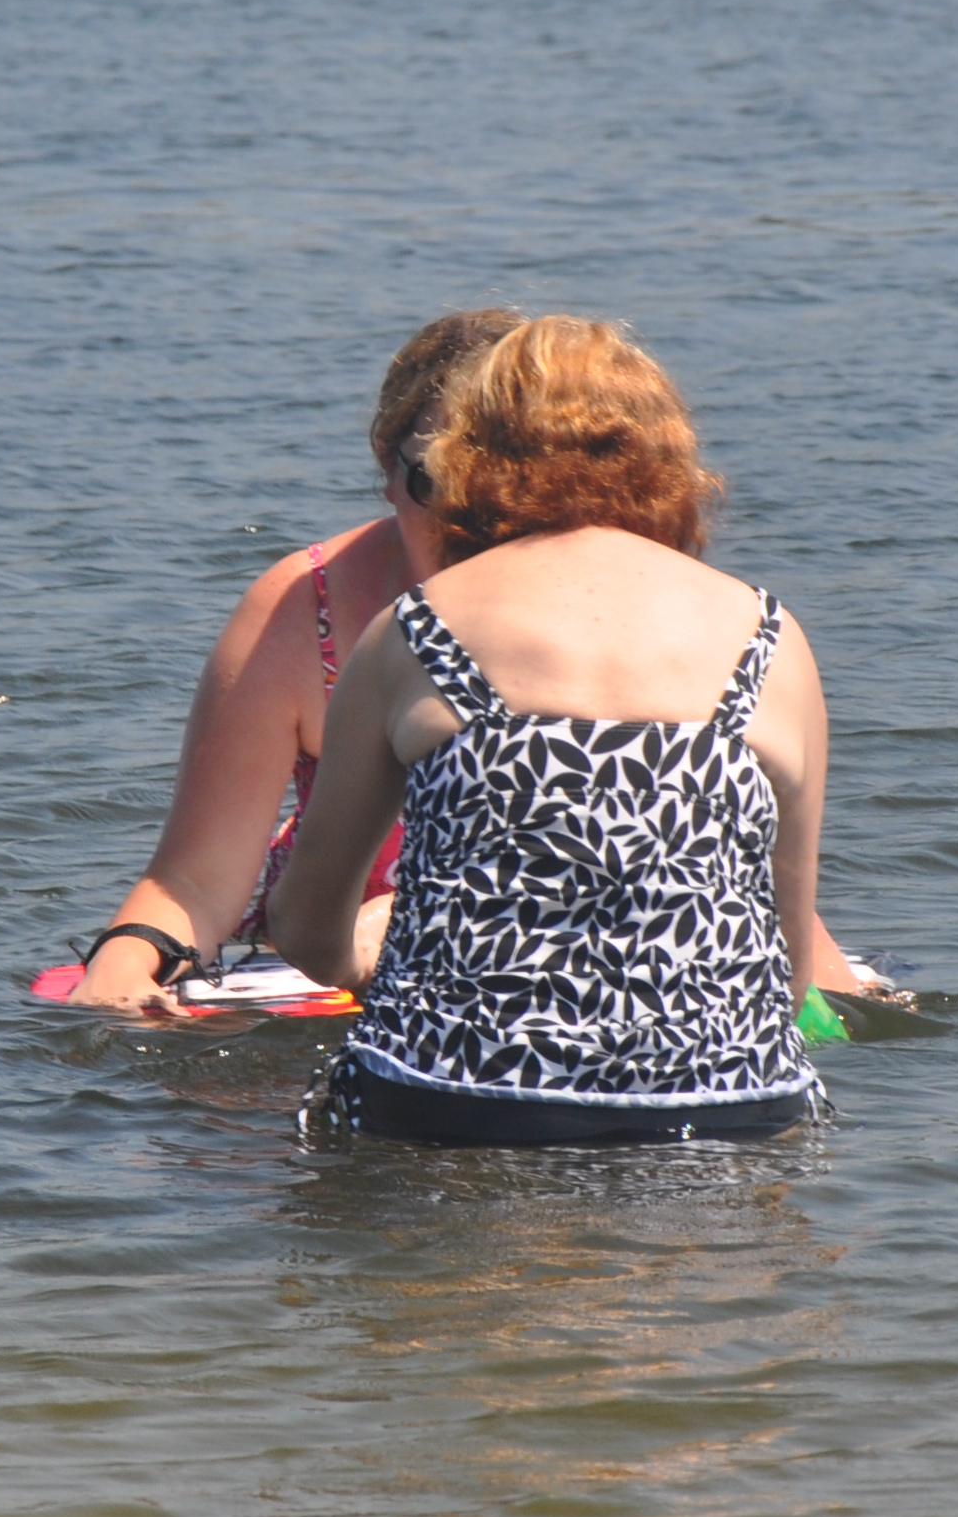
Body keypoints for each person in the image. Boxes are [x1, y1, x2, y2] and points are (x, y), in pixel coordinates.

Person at [70, 311, 877, 1020]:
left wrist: (838, 994)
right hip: (350, 945)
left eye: (503, 487)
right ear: (387, 465)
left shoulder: (652, 613)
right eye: (443, 482)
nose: (477, 519)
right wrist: (126, 962)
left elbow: (704, 850)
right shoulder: (308, 610)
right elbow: (197, 879)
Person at [266, 317, 838, 1143]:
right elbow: (786, 964)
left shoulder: (417, 628)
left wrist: (368, 953)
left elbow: (303, 926)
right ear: (669, 461)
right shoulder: (769, 636)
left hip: (453, 1104)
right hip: (728, 1108)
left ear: (467, 459)